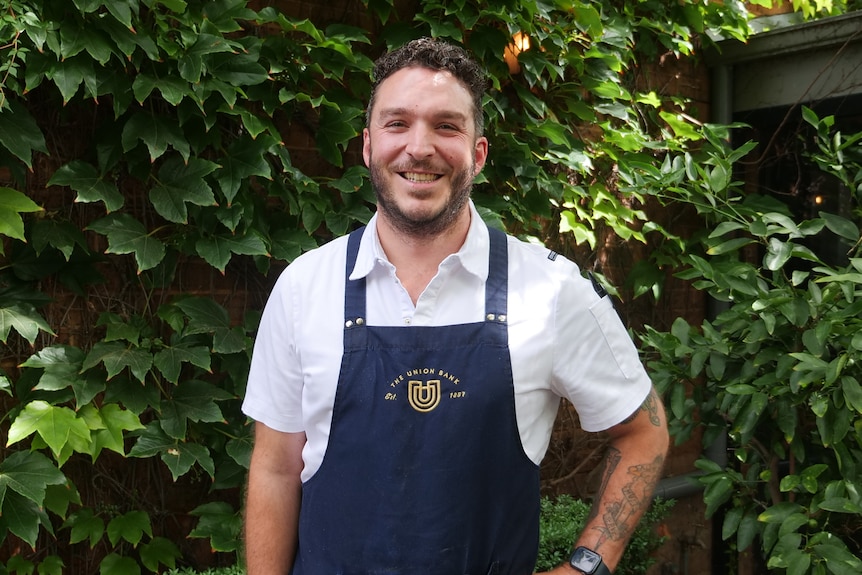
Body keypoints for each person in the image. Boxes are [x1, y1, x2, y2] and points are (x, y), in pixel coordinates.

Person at [242, 37, 669, 575]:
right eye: (398, 123)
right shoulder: (305, 287)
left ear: (478, 152)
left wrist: (587, 566)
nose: (419, 148)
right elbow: (276, 469)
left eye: (446, 126)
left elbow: (644, 432)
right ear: (368, 146)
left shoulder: (551, 291)